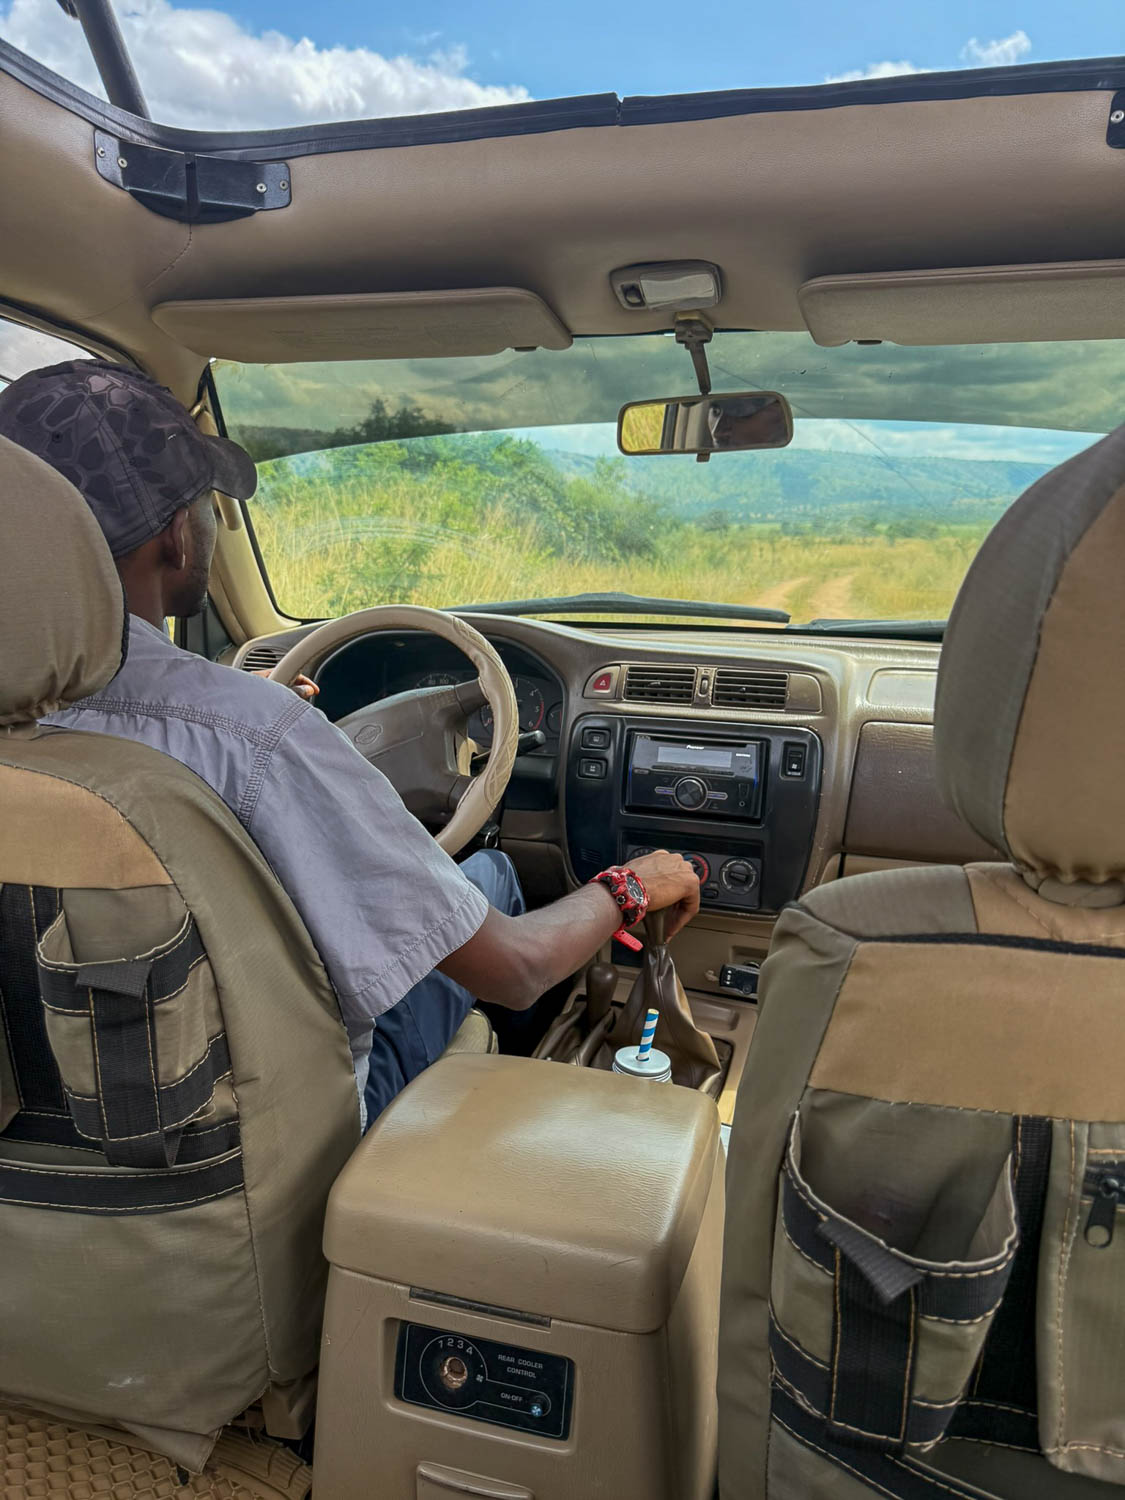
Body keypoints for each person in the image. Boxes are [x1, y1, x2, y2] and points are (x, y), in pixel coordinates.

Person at [0, 361, 700, 1126]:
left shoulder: (221, 727)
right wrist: (632, 885)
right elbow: (519, 969)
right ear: (175, 536)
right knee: (493, 873)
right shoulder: (255, 737)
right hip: (275, 1151)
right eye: (205, 506)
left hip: (48, 1138)